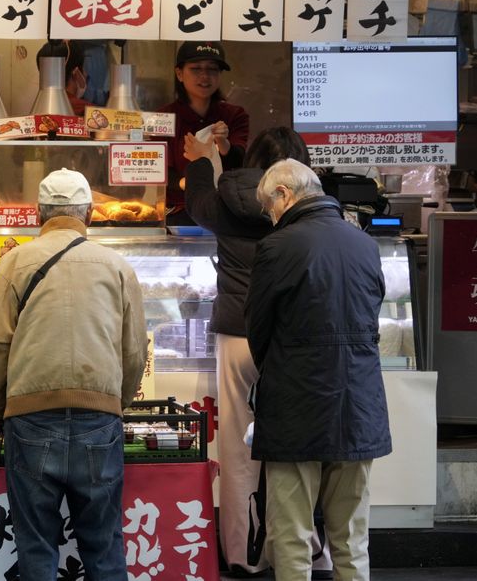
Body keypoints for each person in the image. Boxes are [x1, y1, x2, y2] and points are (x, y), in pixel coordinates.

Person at [0, 168, 147, 579]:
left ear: (40, 214)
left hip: (30, 420)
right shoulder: (116, 266)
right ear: (88, 212)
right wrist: (113, 403)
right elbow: (135, 350)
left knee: (36, 547)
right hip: (99, 421)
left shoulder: (14, 263)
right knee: (104, 547)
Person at [185, 128, 333, 578]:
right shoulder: (308, 202)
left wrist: (203, 158)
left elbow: (196, 200)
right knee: (298, 446)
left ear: (251, 161)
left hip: (237, 334)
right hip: (293, 336)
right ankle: (309, 552)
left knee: (236, 445)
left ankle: (242, 554)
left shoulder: (226, 200)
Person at [245, 160, 392, 581]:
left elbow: (259, 331)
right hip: (359, 405)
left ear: (284, 195)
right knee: (351, 537)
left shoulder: (277, 247)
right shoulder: (364, 243)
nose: (269, 217)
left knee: (291, 535)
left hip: (296, 405)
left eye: (267, 207)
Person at [158, 41, 250, 213]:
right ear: (179, 73)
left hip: (225, 209)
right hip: (177, 211)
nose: (205, 76)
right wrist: (187, 183)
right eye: (196, 69)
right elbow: (156, 168)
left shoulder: (236, 115)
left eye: (212, 69)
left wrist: (223, 143)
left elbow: (239, 162)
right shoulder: (162, 118)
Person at [36, 40, 90, 115]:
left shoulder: (37, 108)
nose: (86, 74)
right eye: (84, 68)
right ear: (76, 73)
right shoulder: (88, 112)